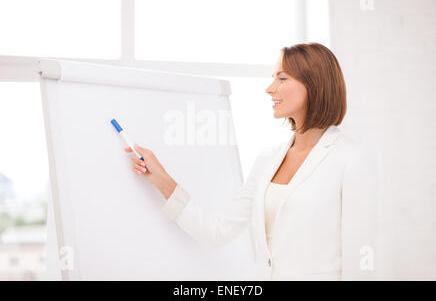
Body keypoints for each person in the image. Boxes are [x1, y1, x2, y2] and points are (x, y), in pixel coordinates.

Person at [125, 43, 379, 281]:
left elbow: (360, 263)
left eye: (282, 79)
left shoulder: (351, 158)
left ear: (314, 85)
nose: (270, 88)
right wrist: (161, 179)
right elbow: (218, 231)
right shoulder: (268, 159)